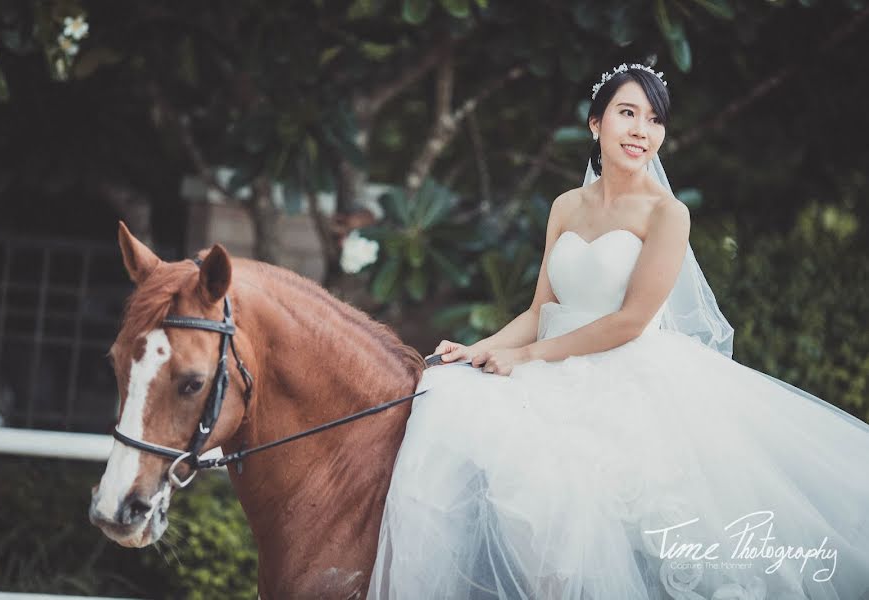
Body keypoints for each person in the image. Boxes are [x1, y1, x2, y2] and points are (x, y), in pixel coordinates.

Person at [366, 62, 869, 600]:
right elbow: (541, 307)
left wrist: (530, 357)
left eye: (654, 120)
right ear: (594, 124)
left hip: (624, 373)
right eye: (627, 113)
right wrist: (481, 348)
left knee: (583, 515)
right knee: (447, 396)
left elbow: (630, 322)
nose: (640, 131)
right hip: (548, 365)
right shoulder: (565, 206)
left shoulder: (667, 214)